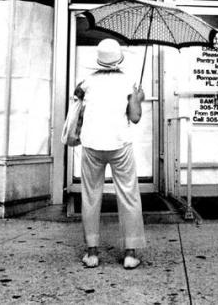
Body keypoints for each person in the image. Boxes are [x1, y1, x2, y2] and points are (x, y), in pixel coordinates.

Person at [74, 38, 146, 269]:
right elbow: (134, 117)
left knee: (91, 195)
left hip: (92, 145)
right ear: (118, 59)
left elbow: (79, 98)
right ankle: (130, 253)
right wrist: (138, 98)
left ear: (99, 60)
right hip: (119, 145)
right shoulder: (128, 81)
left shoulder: (87, 81)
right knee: (128, 195)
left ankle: (92, 252)